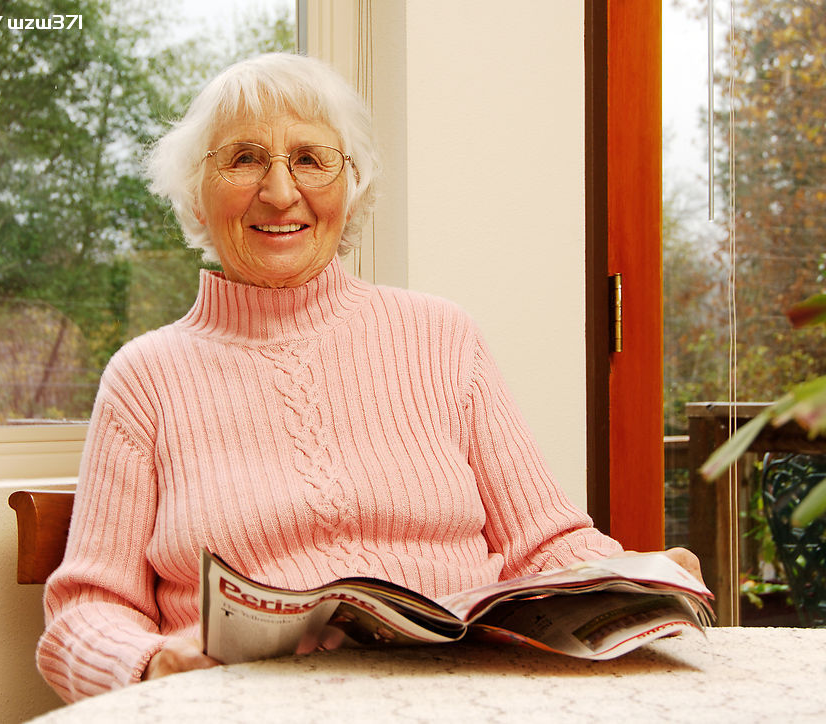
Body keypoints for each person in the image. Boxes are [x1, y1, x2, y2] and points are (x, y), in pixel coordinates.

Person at [36, 52, 701, 703]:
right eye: (244, 159)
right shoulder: (146, 378)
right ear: (196, 194)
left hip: (465, 697)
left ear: (350, 188)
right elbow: (86, 610)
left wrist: (638, 578)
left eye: (309, 159)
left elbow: (546, 544)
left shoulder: (443, 337)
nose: (279, 192)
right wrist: (152, 662)